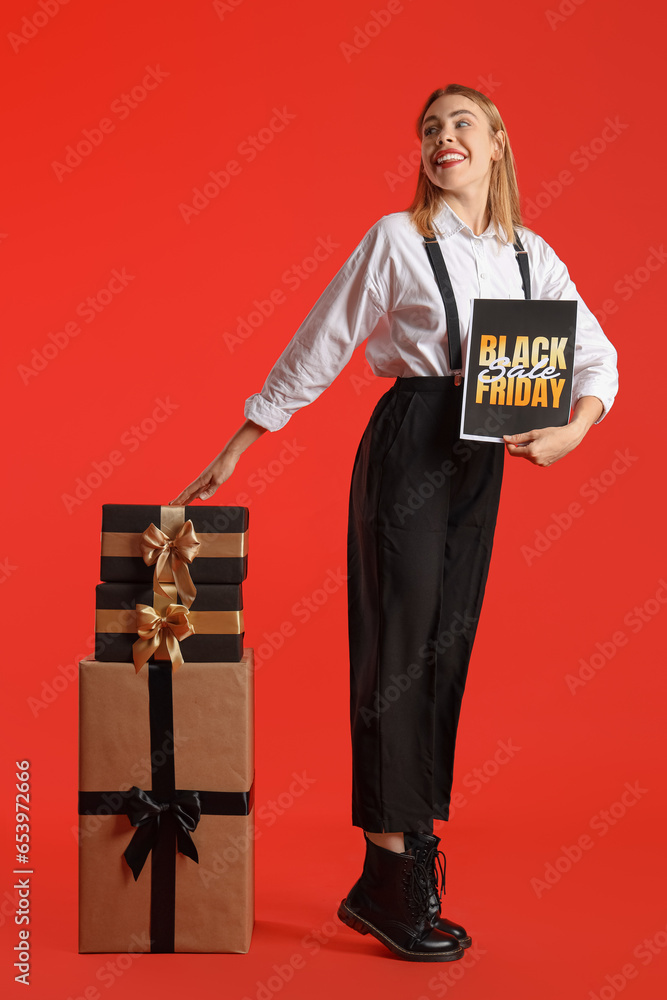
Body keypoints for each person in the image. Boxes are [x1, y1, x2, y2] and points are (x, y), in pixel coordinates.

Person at [170, 83, 618, 963]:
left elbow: (595, 352)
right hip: (411, 443)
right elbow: (323, 339)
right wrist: (243, 438)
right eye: (427, 128)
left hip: (482, 456)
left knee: (445, 648)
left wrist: (575, 426)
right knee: (395, 646)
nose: (440, 137)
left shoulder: (533, 255)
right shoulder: (396, 239)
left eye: (459, 124)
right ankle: (386, 871)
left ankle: (406, 858)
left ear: (496, 143)